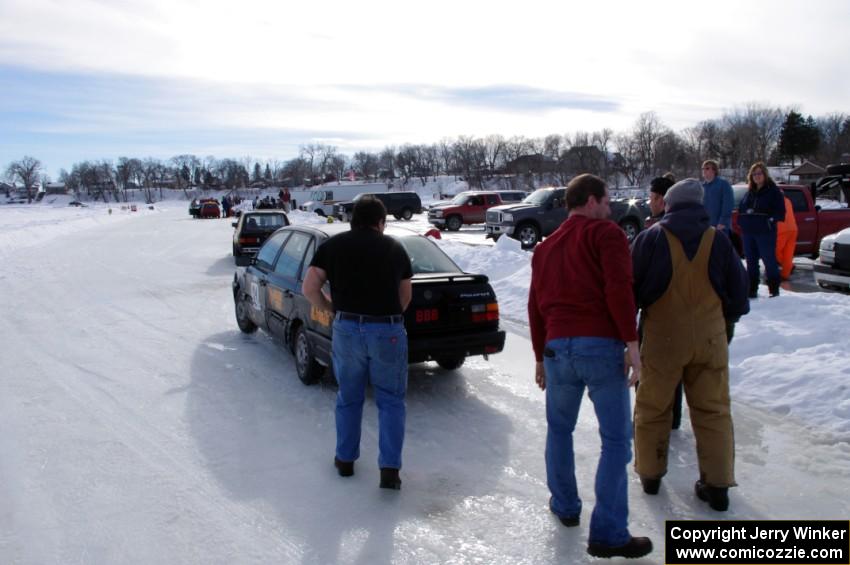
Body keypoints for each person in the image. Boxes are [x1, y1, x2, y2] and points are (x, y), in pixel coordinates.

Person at [528, 174, 652, 559]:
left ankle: (565, 507)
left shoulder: (545, 248)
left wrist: (538, 356)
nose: (610, 207)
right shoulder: (607, 234)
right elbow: (619, 289)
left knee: (559, 430)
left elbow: (534, 306)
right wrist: (632, 345)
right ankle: (609, 533)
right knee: (615, 440)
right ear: (593, 200)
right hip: (598, 346)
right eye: (607, 199)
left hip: (556, 348)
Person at [631, 178, 750, 512]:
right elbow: (739, 297)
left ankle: (651, 476)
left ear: (669, 204)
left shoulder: (650, 238)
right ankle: (717, 486)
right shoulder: (720, 240)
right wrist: (723, 326)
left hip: (663, 339)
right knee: (713, 410)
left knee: (653, 407)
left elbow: (631, 291)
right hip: (711, 338)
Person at [302, 197, 413, 490]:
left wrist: (330, 309)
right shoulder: (394, 248)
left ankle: (345, 460)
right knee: (390, 401)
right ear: (380, 222)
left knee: (349, 397)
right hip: (386, 331)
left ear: (353, 220)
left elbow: (309, 288)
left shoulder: (332, 247)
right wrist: (385, 319)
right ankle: (389, 470)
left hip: (348, 328)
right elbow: (405, 297)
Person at [641, 174, 684, 431]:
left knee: (662, 366)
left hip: (665, 310)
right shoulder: (652, 226)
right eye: (651, 197)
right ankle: (669, 416)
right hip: (662, 309)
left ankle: (663, 417)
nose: (652, 202)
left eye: (657, 198)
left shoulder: (663, 231)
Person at [738, 162, 785, 297]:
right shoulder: (749, 193)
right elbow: (742, 209)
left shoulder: (773, 191)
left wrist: (770, 221)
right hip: (748, 232)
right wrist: (741, 221)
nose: (757, 176)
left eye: (759, 173)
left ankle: (774, 290)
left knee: (769, 261)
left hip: (765, 232)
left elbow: (780, 212)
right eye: (754, 174)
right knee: (751, 262)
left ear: (765, 174)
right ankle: (752, 290)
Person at [701, 160, 734, 234]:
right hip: (706, 227)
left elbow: (728, 204)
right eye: (703, 168)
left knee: (721, 245)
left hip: (720, 226)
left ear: (714, 170)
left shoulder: (723, 184)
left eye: (707, 168)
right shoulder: (702, 187)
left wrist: (723, 221)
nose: (704, 170)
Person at [775, 191, 798, 280]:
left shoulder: (775, 202)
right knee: (788, 253)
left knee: (775, 252)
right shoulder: (788, 201)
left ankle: (788, 267)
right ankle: (785, 274)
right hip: (793, 229)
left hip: (782, 230)